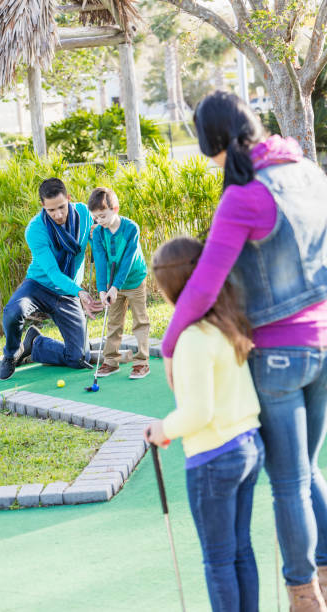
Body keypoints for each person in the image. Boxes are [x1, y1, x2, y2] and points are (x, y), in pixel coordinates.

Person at [161, 90, 327, 610]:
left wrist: (170, 346)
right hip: (323, 341)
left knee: (289, 481)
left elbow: (206, 283)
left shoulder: (244, 194)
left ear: (212, 142)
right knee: (308, 470)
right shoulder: (307, 172)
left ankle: (304, 593)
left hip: (278, 356)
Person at [146, 236, 264, 612]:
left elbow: (198, 413)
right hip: (248, 446)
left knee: (217, 558)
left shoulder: (193, 338)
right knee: (240, 549)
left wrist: (163, 429)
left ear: (169, 287)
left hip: (214, 458)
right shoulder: (227, 324)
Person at [0, 177, 102, 381]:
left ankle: (35, 343)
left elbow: (99, 248)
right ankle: (11, 354)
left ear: (69, 199)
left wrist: (100, 235)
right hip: (38, 286)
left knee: (79, 358)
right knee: (13, 311)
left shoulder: (84, 215)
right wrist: (80, 292)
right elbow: (53, 274)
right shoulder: (35, 229)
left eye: (62, 207)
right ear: (42, 206)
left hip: (66, 292)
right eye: (51, 210)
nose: (58, 214)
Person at [88, 187, 150, 379]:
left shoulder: (131, 228)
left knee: (140, 321)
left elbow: (127, 261)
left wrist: (115, 286)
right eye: (96, 218)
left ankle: (141, 362)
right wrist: (102, 289)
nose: (99, 221)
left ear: (115, 209)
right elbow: (99, 259)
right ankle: (111, 361)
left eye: (103, 216)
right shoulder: (98, 233)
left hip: (134, 280)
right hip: (112, 284)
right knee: (114, 322)